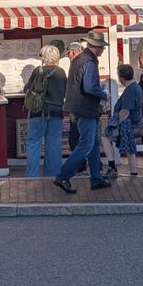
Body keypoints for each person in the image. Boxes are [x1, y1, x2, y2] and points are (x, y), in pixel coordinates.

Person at [53, 32, 111, 194]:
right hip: (86, 109)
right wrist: (104, 95)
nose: (103, 50)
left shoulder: (78, 60)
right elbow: (90, 87)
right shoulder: (89, 62)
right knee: (86, 145)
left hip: (77, 108)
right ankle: (63, 176)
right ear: (96, 47)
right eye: (102, 47)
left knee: (92, 144)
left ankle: (96, 178)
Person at [24, 45, 67, 178]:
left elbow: (27, 88)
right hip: (56, 112)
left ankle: (32, 175)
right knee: (54, 144)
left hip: (38, 112)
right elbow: (65, 92)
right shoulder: (61, 72)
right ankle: (53, 175)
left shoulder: (38, 70)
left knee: (33, 143)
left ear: (44, 57)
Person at [103, 65, 143, 177]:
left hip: (129, 123)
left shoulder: (129, 90)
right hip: (136, 122)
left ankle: (112, 167)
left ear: (121, 77)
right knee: (130, 148)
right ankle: (134, 172)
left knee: (105, 137)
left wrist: (115, 124)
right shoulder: (136, 87)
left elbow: (125, 111)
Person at [59, 42, 85, 174]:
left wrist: (72, 110)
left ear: (73, 52)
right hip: (83, 108)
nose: (68, 55)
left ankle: (81, 167)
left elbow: (76, 90)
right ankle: (90, 167)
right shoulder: (86, 64)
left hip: (79, 108)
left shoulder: (77, 66)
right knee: (85, 139)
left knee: (76, 139)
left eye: (68, 53)